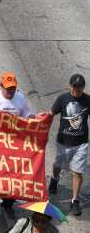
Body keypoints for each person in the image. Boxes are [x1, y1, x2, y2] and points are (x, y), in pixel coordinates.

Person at [0, 72, 32, 219]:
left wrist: (38, 120)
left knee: (12, 173)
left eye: (13, 89)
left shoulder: (20, 98)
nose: (10, 92)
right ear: (1, 86)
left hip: (14, 144)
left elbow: (27, 116)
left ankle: (8, 204)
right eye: (8, 88)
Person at [48, 73, 90, 216]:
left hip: (81, 143)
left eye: (78, 88)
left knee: (77, 171)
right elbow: (51, 113)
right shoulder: (63, 99)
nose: (75, 90)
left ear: (83, 88)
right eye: (73, 87)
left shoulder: (88, 100)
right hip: (63, 142)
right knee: (58, 164)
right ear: (70, 85)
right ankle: (55, 178)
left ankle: (74, 200)